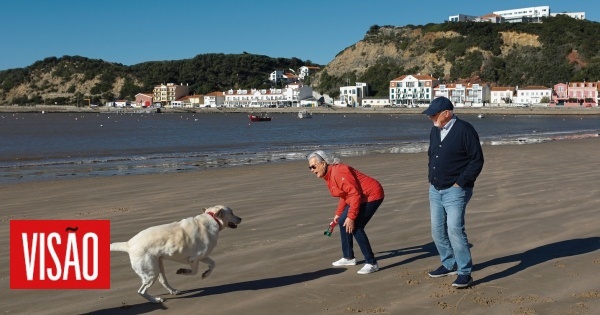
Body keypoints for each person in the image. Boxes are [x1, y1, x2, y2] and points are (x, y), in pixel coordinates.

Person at [422, 97, 484, 288]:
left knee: (455, 229)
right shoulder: (435, 130)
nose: (430, 117)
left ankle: (465, 271)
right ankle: (449, 263)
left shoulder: (465, 130)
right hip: (435, 188)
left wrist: (461, 182)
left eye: (433, 114)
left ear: (447, 114)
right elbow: (432, 155)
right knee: (437, 231)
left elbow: (477, 160)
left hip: (456, 190)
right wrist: (431, 178)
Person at [307, 150, 384, 274]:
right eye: (309, 167)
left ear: (324, 163)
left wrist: (351, 217)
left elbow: (354, 194)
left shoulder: (339, 172)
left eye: (313, 166)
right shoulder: (328, 175)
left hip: (372, 195)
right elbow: (344, 195)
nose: (311, 169)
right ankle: (348, 257)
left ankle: (372, 263)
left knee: (355, 226)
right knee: (343, 221)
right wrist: (338, 214)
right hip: (359, 196)